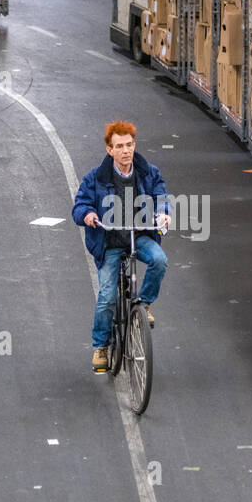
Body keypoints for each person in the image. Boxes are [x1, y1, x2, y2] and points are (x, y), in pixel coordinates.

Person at [73, 121, 170, 372]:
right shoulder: (96, 177)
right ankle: (101, 346)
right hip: (110, 241)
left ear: (134, 146)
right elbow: (80, 205)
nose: (125, 150)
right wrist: (88, 215)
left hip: (138, 234)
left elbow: (161, 196)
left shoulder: (148, 172)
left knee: (159, 260)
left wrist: (163, 213)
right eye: (119, 146)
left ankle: (144, 304)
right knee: (106, 297)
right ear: (110, 150)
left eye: (129, 145)